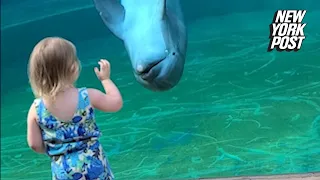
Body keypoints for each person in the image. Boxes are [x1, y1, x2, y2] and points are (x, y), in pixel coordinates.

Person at [26, 37, 123, 180]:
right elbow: (116, 103)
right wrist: (106, 80)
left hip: (63, 169)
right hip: (93, 164)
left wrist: (55, 151)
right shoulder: (87, 96)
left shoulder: (36, 108)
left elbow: (34, 145)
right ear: (73, 68)